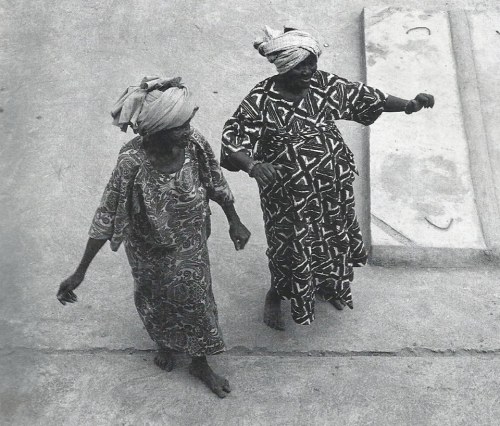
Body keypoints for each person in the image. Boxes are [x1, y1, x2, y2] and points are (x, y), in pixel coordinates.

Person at [220, 26, 434, 330]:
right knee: (290, 246)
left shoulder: (322, 83)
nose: (308, 70)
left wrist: (408, 106)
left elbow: (365, 96)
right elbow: (231, 140)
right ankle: (276, 294)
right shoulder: (261, 99)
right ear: (283, 66)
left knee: (332, 241)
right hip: (289, 197)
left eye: (311, 62)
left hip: (333, 192)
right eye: (300, 66)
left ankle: (329, 286)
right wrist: (253, 165)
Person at [57, 76, 251, 398]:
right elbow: (106, 215)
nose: (188, 128)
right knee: (155, 300)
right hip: (149, 251)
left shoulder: (193, 144)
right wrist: (80, 271)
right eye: (180, 124)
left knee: (196, 302)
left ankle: (200, 363)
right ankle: (164, 342)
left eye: (188, 121)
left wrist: (235, 221)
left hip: (190, 246)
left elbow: (215, 181)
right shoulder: (131, 162)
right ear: (158, 129)